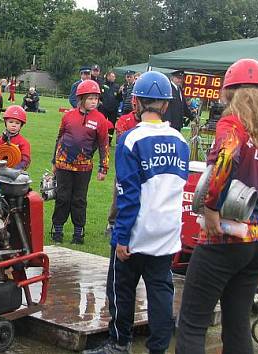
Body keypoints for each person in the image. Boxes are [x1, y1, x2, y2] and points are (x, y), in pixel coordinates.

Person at [176, 59, 258, 354]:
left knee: (192, 323)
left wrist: (210, 207)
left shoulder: (234, 124)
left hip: (225, 236)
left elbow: (224, 161)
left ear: (230, 92)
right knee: (237, 326)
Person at [84, 71, 190, 354]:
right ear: (166, 105)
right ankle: (158, 348)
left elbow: (127, 193)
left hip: (136, 231)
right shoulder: (181, 141)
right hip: (167, 231)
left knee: (121, 289)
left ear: (135, 102)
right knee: (160, 292)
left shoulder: (131, 139)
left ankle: (119, 343)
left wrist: (121, 236)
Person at [51, 79, 109, 244]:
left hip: (84, 167)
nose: (94, 102)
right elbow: (59, 138)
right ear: (81, 98)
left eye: (96, 98)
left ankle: (78, 233)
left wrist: (103, 168)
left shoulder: (100, 120)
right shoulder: (68, 116)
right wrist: (54, 161)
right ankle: (57, 229)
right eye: (90, 98)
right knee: (62, 197)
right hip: (63, 164)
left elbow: (104, 145)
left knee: (79, 199)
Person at [105, 96, 139, 238]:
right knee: (118, 195)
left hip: (140, 166)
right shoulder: (125, 119)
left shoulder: (149, 122)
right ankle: (111, 223)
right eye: (135, 104)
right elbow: (120, 138)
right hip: (125, 165)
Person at [0, 105, 31, 170]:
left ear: (21, 125)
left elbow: (26, 160)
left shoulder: (23, 143)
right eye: (11, 122)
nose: (13, 125)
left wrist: (15, 169)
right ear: (5, 122)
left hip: (15, 174)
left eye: (17, 123)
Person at [100, 71, 121, 144]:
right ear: (108, 76)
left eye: (114, 76)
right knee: (102, 124)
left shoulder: (117, 86)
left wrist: (120, 93)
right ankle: (100, 139)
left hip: (113, 109)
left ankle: (109, 141)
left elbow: (119, 98)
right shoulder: (103, 84)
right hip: (104, 108)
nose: (113, 78)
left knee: (111, 125)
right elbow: (100, 95)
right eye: (112, 76)